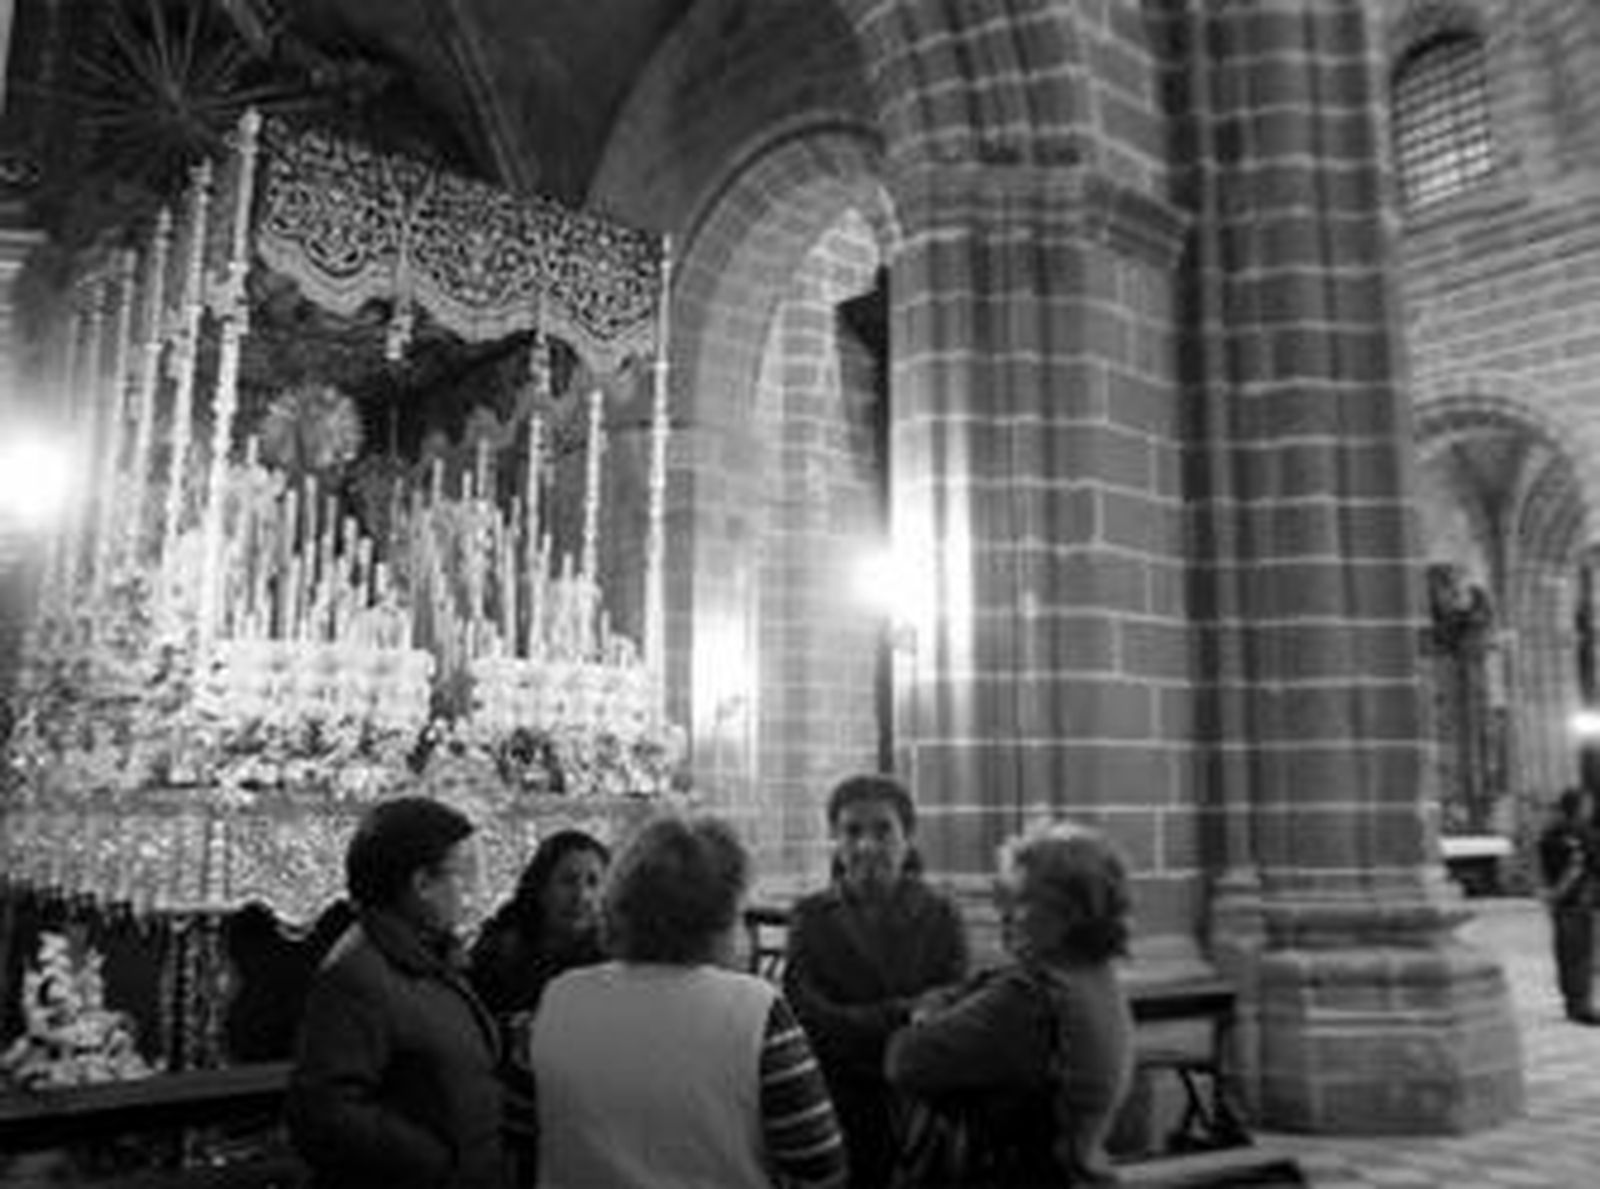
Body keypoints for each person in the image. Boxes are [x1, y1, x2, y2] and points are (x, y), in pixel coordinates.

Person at [528, 813, 847, 1189]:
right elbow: (819, 1165)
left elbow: (519, 1136)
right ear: (722, 917)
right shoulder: (756, 1012)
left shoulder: (557, 1000)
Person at [884, 820, 1135, 1188]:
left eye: (1021, 901)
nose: (1004, 916)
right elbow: (976, 987)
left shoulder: (1030, 998)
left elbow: (904, 1060)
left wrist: (925, 1014)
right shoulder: (1095, 975)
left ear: (1067, 912)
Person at [285, 796, 508, 1189]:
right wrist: (438, 1162)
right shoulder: (358, 976)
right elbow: (326, 1114)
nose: (473, 891)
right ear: (422, 884)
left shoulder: (426, 953)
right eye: (463, 874)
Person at [783, 774, 967, 1189]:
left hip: (918, 1103)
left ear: (908, 836)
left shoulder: (941, 914)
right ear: (835, 838)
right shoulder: (810, 917)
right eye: (852, 831)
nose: (867, 845)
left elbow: (952, 1010)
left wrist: (854, 1022)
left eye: (883, 830)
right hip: (838, 1101)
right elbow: (807, 1018)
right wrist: (905, 1013)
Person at [467, 828, 609, 1027]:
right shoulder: (498, 951)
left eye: (593, 883)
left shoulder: (616, 957)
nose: (581, 896)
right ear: (540, 888)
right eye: (568, 881)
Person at [1537, 786, 1600, 1025]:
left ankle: (1572, 1003)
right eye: (1588, 804)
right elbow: (1581, 864)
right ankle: (1581, 1006)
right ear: (1581, 807)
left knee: (1565, 954)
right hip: (1578, 899)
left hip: (1559, 901)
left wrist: (1549, 893)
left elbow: (1542, 864)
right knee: (1581, 955)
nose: (1591, 808)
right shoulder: (1582, 833)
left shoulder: (1549, 832)